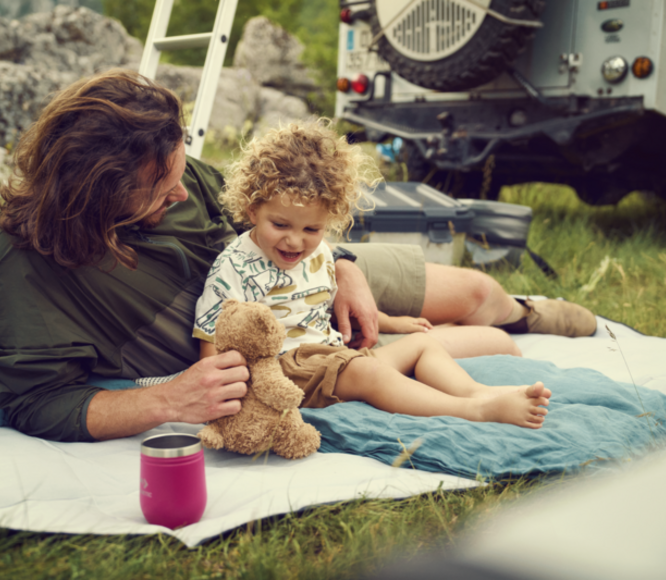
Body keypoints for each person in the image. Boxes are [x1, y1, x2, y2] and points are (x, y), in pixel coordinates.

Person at [0, 68, 594, 442]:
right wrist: (167, 400)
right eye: (160, 192)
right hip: (273, 329)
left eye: (180, 173)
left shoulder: (170, 168)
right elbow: (32, 401)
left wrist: (345, 263)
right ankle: (468, 347)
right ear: (97, 190)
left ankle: (531, 311)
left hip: (301, 271)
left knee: (480, 295)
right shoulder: (27, 265)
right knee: (473, 345)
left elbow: (268, 212)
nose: (183, 192)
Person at [193, 119, 551, 428]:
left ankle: (479, 392)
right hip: (285, 371)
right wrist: (228, 399)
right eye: (280, 224)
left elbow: (324, 298)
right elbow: (211, 339)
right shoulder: (235, 266)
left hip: (330, 356)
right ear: (253, 208)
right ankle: (472, 410)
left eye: (312, 230)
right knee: (369, 374)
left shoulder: (318, 253)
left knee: (423, 344)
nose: (295, 241)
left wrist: (392, 323)